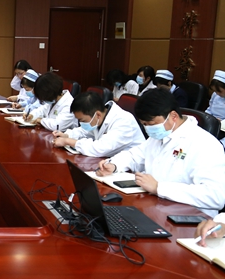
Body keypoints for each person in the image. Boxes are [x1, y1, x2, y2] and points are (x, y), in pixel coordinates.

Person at [95, 88, 225, 218]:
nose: (148, 129)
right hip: (156, 206)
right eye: (144, 124)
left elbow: (215, 196)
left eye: (151, 124)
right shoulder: (159, 136)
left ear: (173, 116)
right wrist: (114, 164)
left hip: (189, 218)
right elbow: (135, 156)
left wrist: (159, 187)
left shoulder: (205, 144)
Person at [52, 91, 145, 157]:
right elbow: (84, 131)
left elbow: (100, 148)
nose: (81, 124)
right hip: (111, 162)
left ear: (98, 115)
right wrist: (67, 135)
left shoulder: (124, 121)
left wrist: (68, 141)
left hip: (133, 170)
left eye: (82, 120)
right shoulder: (98, 118)